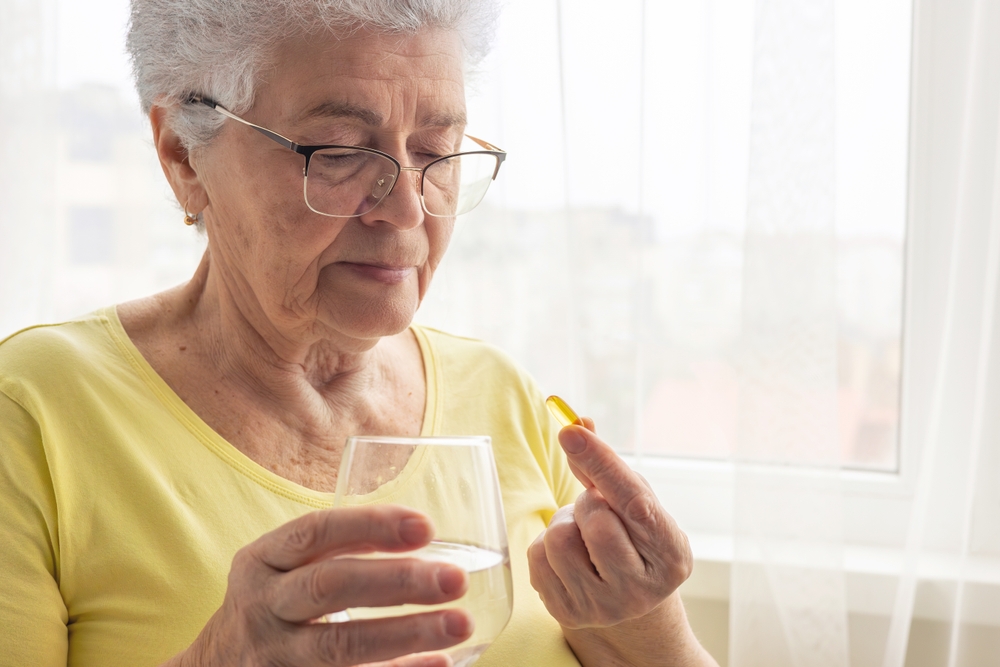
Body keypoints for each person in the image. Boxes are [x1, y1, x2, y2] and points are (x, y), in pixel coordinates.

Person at [0, 1, 719, 666]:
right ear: (184, 156)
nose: (407, 208)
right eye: (339, 150)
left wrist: (644, 623)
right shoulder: (34, 412)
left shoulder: (504, 398)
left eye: (438, 149)